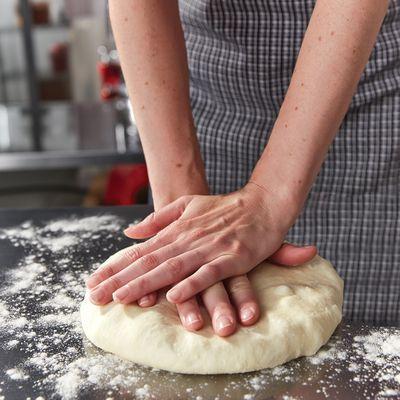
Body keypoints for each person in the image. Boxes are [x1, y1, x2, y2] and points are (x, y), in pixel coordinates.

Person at [87, 0, 399, 336]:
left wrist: (268, 200)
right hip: (205, 105)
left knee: (363, 349)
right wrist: (181, 207)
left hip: (363, 104)